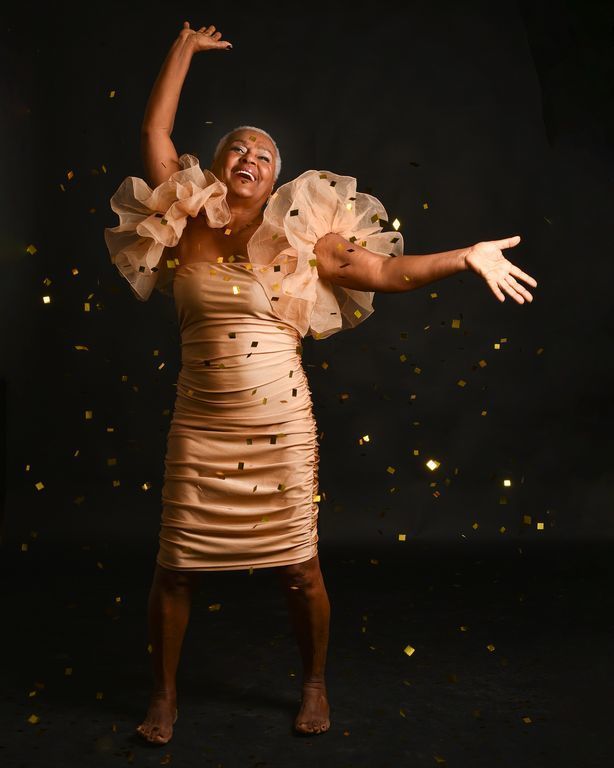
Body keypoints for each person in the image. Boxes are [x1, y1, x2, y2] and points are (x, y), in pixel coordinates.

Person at [104, 21, 538, 746]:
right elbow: (155, 127)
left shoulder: (306, 236)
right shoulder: (182, 219)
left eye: (263, 154)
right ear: (216, 165)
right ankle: (164, 695)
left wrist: (465, 257)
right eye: (237, 148)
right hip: (200, 425)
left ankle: (313, 682)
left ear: (277, 179)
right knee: (175, 569)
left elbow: (385, 272)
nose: (249, 157)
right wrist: (183, 46)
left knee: (300, 571)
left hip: (279, 428)